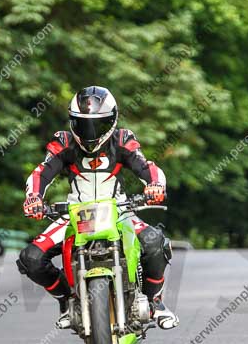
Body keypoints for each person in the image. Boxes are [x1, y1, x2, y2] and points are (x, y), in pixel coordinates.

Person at [17, 86, 178, 330]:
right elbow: (42, 172)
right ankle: (67, 299)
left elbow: (147, 167)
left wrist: (155, 185)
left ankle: (154, 302)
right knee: (31, 258)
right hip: (75, 214)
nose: (90, 133)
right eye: (83, 124)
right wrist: (33, 198)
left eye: (98, 125)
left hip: (119, 210)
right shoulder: (64, 142)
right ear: (73, 122)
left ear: (112, 120)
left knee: (156, 243)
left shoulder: (122, 140)